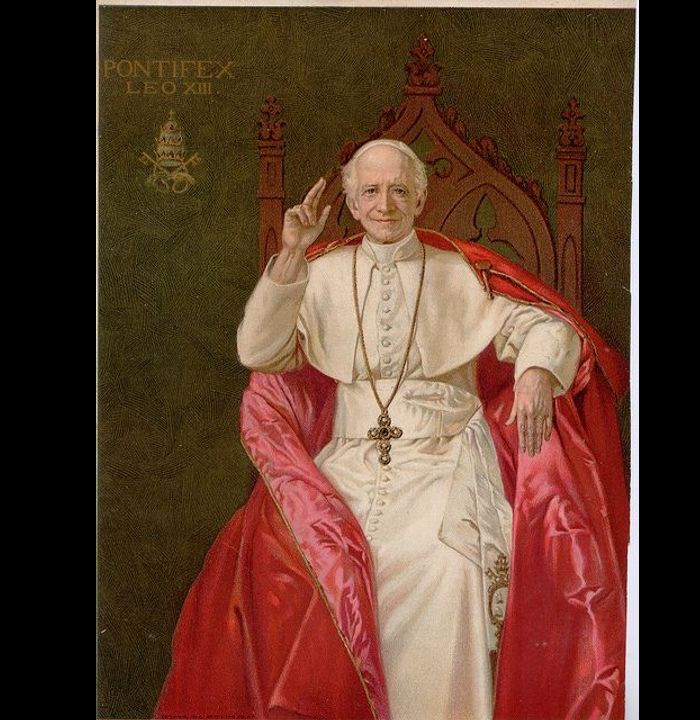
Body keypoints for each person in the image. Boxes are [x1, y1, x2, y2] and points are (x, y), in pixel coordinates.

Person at [155, 140, 629, 720]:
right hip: (348, 461)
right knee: (305, 568)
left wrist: (533, 369)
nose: (385, 205)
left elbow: (547, 326)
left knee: (448, 569)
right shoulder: (319, 272)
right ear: (352, 203)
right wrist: (292, 255)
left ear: (421, 200)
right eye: (371, 192)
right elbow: (257, 350)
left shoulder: (459, 273)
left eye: (399, 190)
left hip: (445, 459)